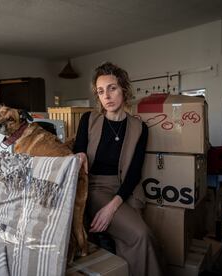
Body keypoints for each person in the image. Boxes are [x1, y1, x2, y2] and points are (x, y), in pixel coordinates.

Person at [74, 62, 164, 276]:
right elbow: (79, 151)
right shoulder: (88, 120)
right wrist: (79, 155)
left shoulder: (139, 127)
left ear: (124, 88)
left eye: (112, 88)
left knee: (144, 239)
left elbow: (134, 173)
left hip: (126, 190)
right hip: (95, 189)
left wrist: (112, 207)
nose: (107, 96)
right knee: (141, 234)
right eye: (101, 91)